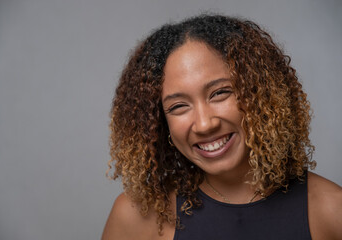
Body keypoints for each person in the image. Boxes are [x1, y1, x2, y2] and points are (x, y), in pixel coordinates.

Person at [102, 14, 342, 240]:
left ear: (260, 94)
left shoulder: (332, 211)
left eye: (219, 93)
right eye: (178, 106)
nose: (205, 124)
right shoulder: (134, 219)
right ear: (160, 123)